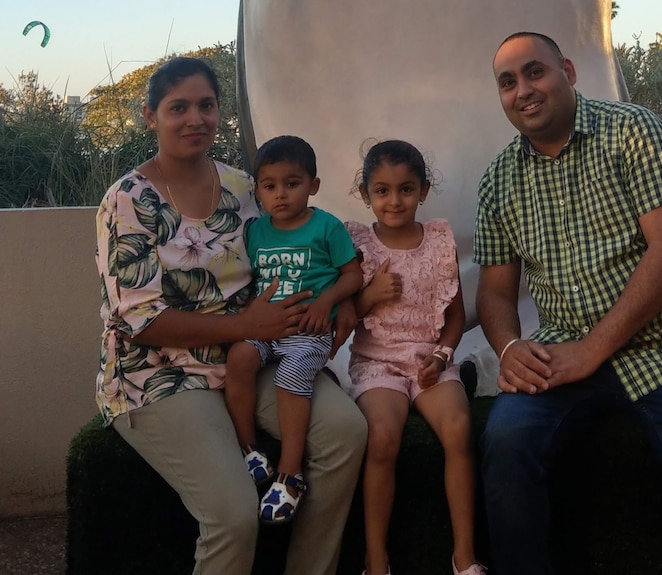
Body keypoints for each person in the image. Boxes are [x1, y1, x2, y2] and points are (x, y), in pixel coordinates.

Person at [473, 32, 662, 575]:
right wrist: (509, 347)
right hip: (562, 356)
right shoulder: (497, 182)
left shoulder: (633, 130)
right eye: (507, 82)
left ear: (569, 72)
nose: (523, 90)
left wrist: (592, 349)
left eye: (535, 72)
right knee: (504, 445)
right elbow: (494, 290)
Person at [94, 57, 367, 575]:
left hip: (252, 355)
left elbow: (303, 248)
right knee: (234, 514)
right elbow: (139, 320)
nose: (195, 118)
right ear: (151, 117)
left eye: (206, 105)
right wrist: (244, 326)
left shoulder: (246, 187)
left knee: (344, 432)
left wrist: (340, 295)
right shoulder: (128, 201)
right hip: (159, 375)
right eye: (179, 108)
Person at [343, 140, 486, 575]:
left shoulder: (440, 240)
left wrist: (442, 356)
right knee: (383, 437)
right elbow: (345, 316)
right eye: (382, 191)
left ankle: (464, 556)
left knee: (459, 429)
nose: (394, 200)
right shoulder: (358, 243)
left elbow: (456, 315)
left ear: (423, 191)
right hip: (377, 361)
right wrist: (370, 295)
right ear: (366, 194)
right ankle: (377, 558)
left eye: (406, 189)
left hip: (431, 360)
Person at [225, 134, 363, 524]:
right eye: (269, 186)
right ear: (258, 191)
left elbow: (353, 275)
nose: (280, 194)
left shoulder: (326, 227)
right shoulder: (255, 232)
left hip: (309, 330)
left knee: (292, 374)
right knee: (238, 357)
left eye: (292, 183)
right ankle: (249, 448)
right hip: (266, 328)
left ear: (313, 186)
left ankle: (290, 474)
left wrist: (327, 301)